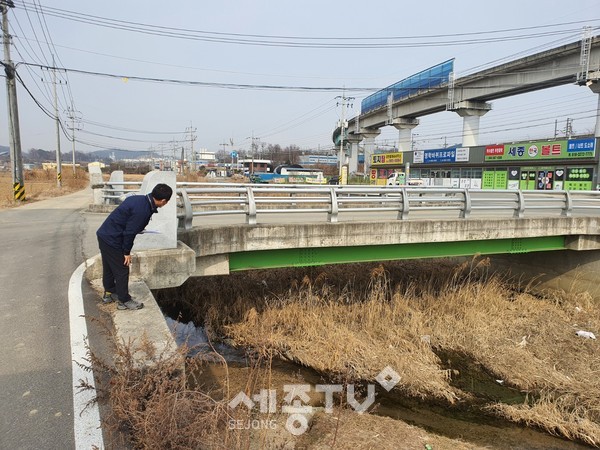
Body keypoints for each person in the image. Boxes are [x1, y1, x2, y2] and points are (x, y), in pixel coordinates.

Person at [97, 183, 173, 310]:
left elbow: (128, 222)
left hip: (104, 234)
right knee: (122, 269)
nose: (165, 204)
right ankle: (124, 301)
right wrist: (126, 252)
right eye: (166, 202)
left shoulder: (138, 199)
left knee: (109, 267)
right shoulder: (143, 210)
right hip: (113, 239)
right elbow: (129, 232)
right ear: (164, 201)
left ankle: (109, 294)